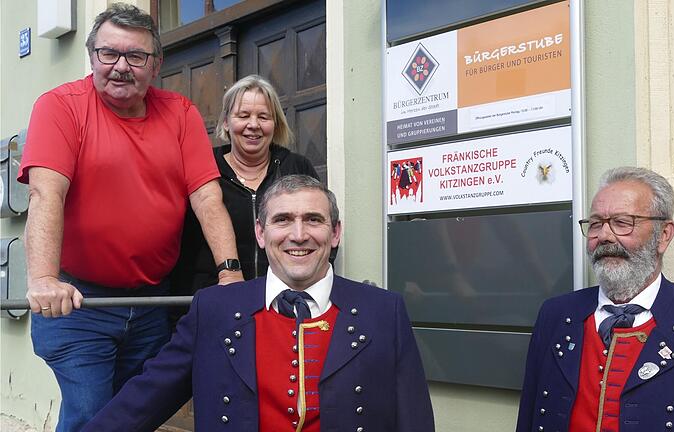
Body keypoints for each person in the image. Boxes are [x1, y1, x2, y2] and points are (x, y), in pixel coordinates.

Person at [17, 4, 242, 431]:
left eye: (135, 56)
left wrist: (229, 271)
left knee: (135, 416)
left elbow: (206, 196)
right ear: (91, 56)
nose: (121, 67)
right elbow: (46, 193)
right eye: (109, 54)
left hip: (150, 300)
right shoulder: (60, 107)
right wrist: (43, 279)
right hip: (79, 301)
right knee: (92, 416)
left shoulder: (180, 113)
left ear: (155, 65)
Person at [83, 175, 435, 431]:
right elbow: (144, 399)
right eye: (282, 220)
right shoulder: (215, 310)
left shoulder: (383, 311)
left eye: (314, 220)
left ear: (335, 232)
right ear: (261, 234)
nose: (299, 235)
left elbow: (414, 420)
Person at [516, 167, 674, 431]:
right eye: (596, 224)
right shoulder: (555, 314)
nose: (604, 236)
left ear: (663, 235)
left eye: (622, 222)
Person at [171, 74, 318, 297]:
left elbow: (321, 225)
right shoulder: (204, 168)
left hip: (285, 301)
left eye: (263, 117)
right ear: (226, 122)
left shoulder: (296, 167)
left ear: (275, 123)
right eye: (243, 115)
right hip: (215, 299)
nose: (253, 125)